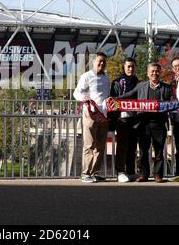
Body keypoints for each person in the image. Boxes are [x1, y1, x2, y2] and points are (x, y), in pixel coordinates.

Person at [118, 62, 173, 183]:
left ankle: (158, 175)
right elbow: (128, 95)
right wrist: (115, 99)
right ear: (148, 73)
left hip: (159, 124)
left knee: (159, 151)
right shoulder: (141, 86)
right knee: (143, 151)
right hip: (143, 124)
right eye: (152, 71)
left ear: (160, 72)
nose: (155, 73)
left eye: (157, 71)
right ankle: (144, 174)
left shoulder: (167, 88)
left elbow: (174, 104)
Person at [73, 52, 110, 183]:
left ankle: (95, 172)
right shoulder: (86, 76)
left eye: (104, 62)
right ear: (93, 62)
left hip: (104, 115)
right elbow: (76, 92)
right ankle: (85, 174)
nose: (102, 64)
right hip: (90, 114)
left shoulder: (106, 78)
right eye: (100, 61)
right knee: (89, 144)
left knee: (100, 146)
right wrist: (82, 98)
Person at [109, 57, 139, 183]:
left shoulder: (139, 82)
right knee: (122, 146)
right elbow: (113, 101)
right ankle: (120, 172)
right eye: (128, 66)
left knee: (132, 146)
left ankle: (131, 171)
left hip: (135, 118)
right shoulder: (117, 82)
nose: (131, 69)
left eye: (132, 66)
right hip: (122, 118)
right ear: (124, 68)